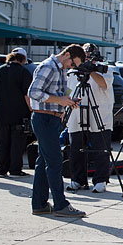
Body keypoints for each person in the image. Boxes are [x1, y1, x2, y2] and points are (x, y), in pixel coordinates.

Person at [28, 44, 87, 218]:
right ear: (66, 54)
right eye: (73, 64)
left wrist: (68, 101)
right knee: (54, 162)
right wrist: (60, 100)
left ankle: (39, 204)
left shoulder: (60, 69)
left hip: (51, 118)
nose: (72, 68)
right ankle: (60, 204)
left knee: (43, 162)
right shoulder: (48, 67)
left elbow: (57, 94)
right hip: (44, 118)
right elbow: (33, 92)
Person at [65, 43, 113, 194]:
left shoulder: (104, 70)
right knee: (76, 149)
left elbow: (104, 84)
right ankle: (77, 179)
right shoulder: (72, 72)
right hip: (77, 115)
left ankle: (100, 180)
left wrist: (91, 71)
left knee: (100, 149)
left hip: (99, 115)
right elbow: (68, 91)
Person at [0, 48, 33, 177]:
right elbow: (27, 95)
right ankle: (15, 169)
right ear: (22, 59)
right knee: (17, 143)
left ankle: (1, 168)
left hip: (2, 114)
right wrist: (31, 110)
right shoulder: (24, 72)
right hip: (19, 114)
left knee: (3, 142)